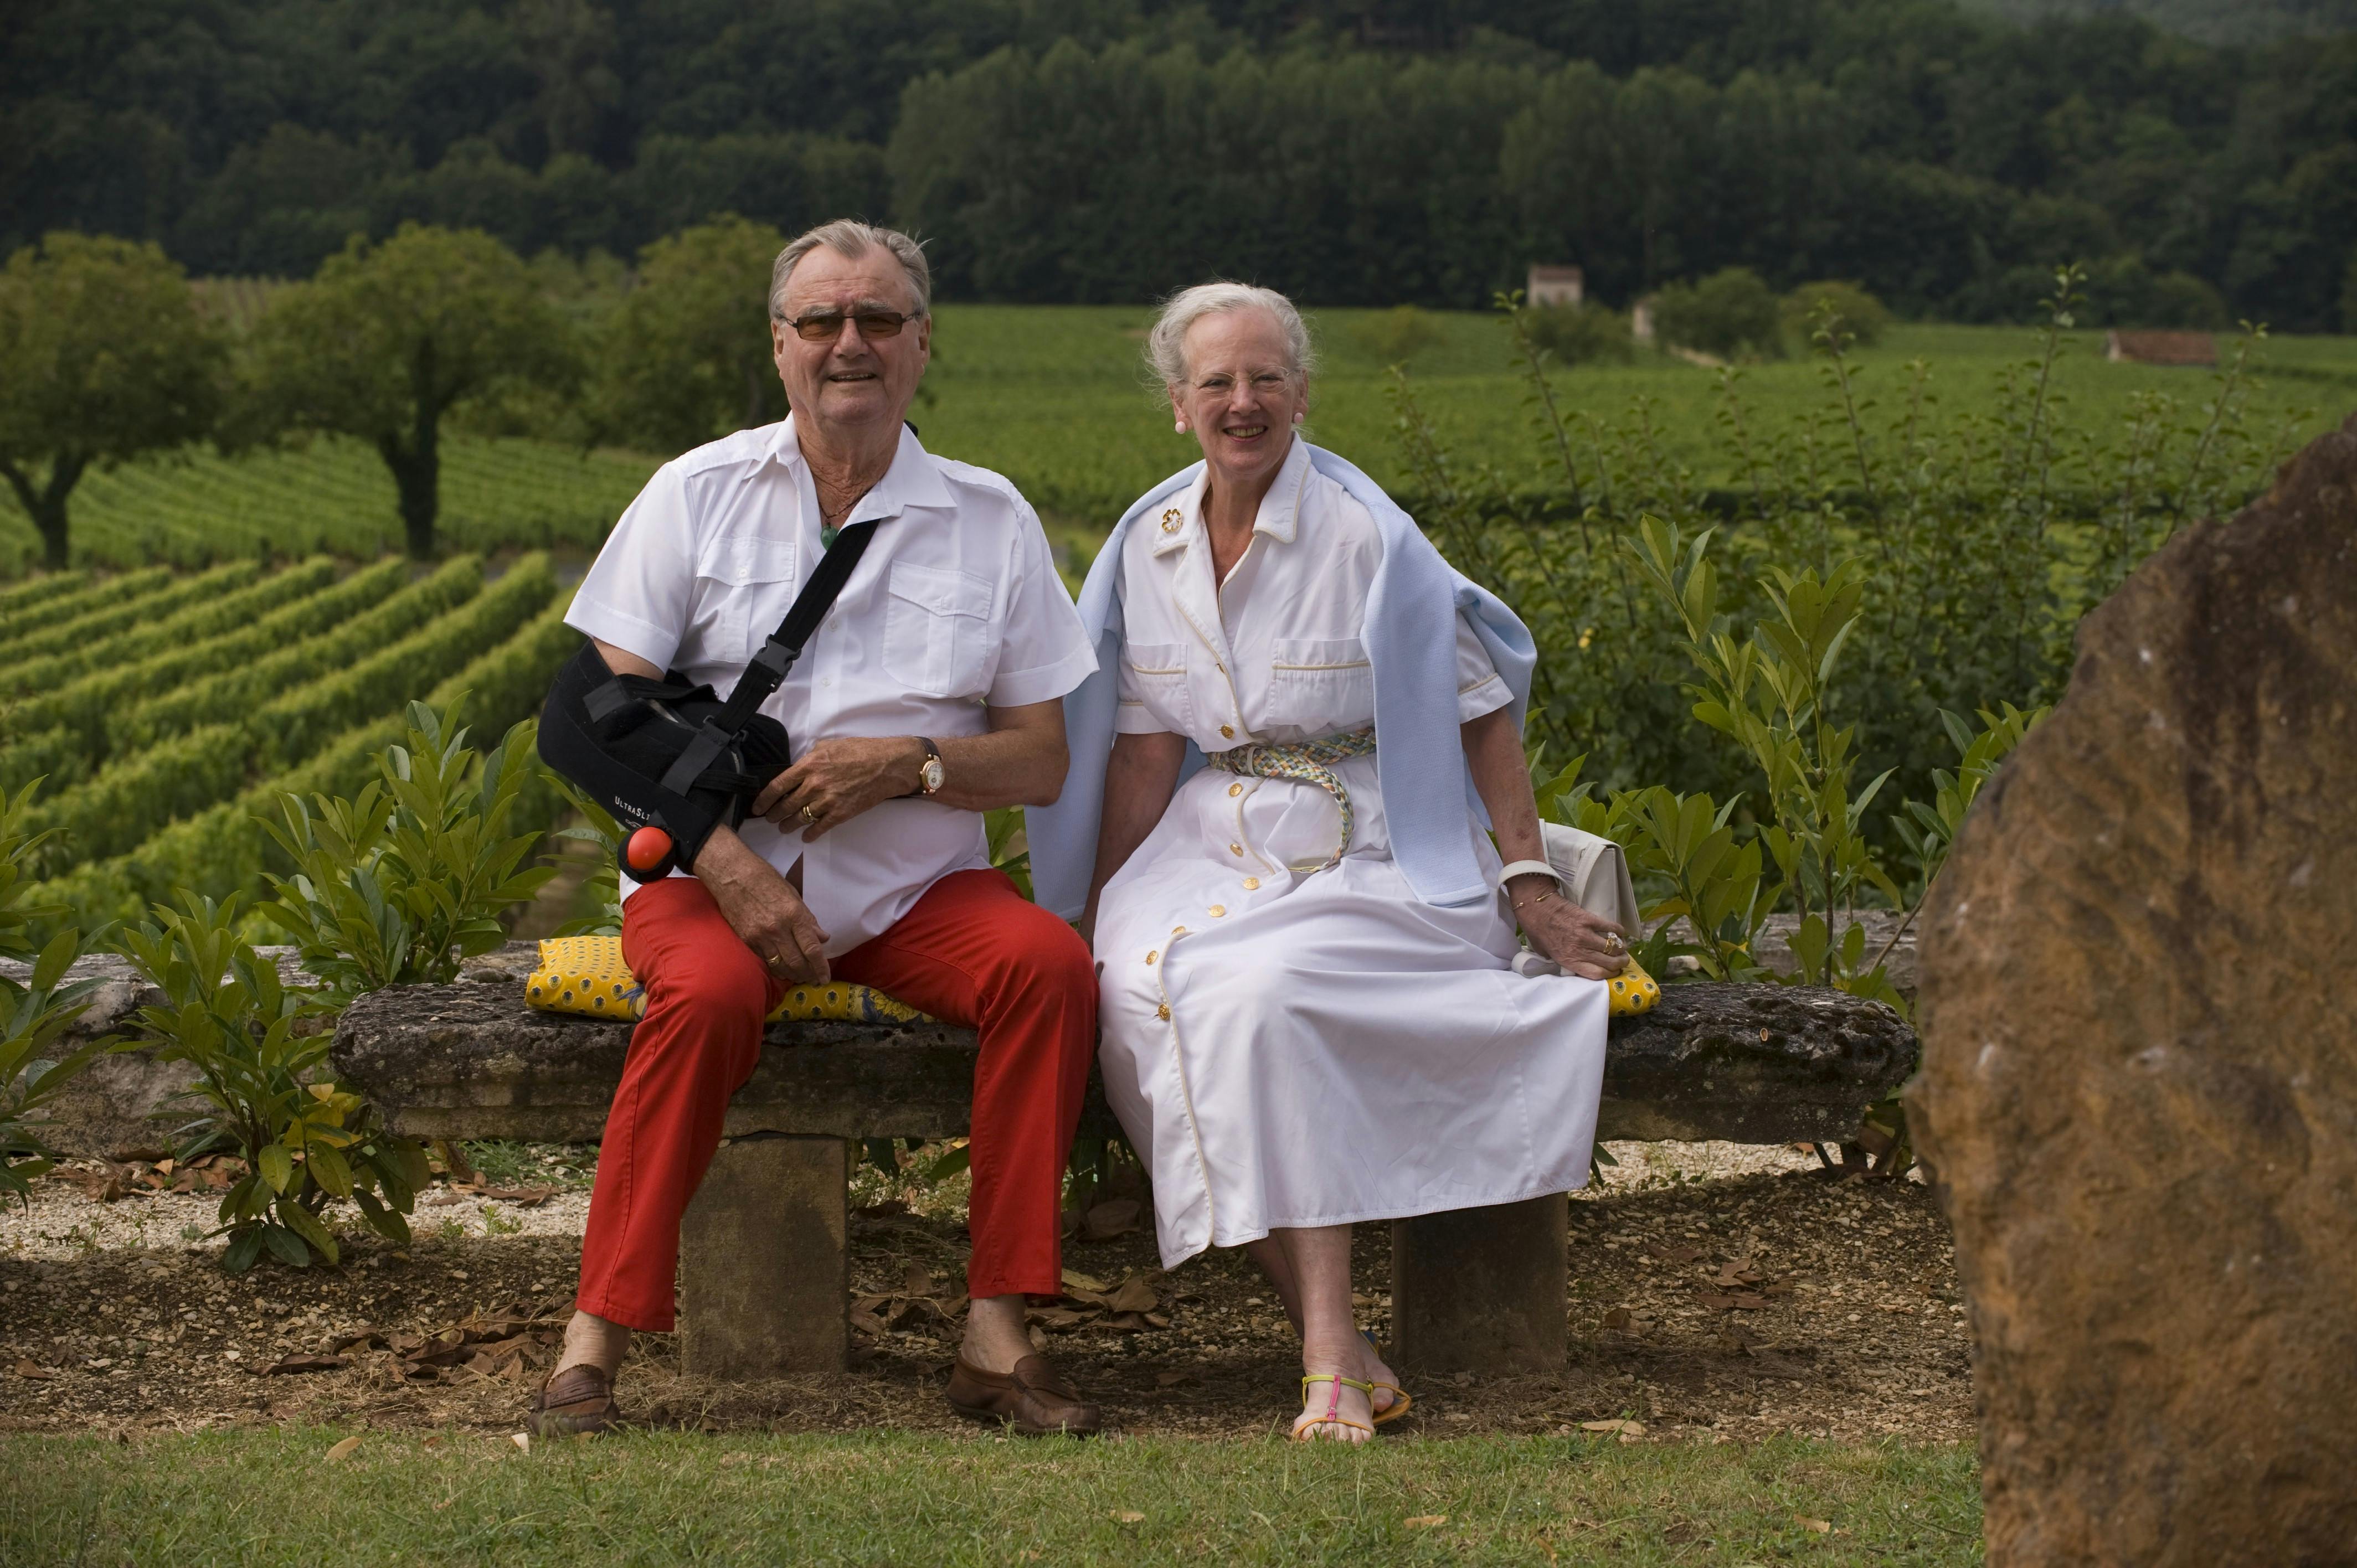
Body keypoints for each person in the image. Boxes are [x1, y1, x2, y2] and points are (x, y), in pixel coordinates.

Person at [530, 220, 1105, 1438]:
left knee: (1049, 970)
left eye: (880, 320)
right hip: (710, 877)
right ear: (780, 345)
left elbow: (1042, 758)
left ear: (921, 345)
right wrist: (729, 867)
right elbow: (590, 718)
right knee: (709, 999)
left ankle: (995, 1334)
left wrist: (913, 764)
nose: (852, 345)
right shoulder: (696, 492)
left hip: (913, 894)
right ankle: (596, 1340)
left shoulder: (991, 519)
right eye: (822, 323)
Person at [1028, 282, 1628, 1443]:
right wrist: (1086, 907)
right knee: (1125, 985)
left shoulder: (1368, 535)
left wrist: (1531, 889)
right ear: (1178, 404)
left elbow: (1479, 714)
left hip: (1375, 842)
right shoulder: (1151, 544)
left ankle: (1324, 1361)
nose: (1241, 403)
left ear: (1302, 395)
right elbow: (1147, 755)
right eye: (1217, 383)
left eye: (1265, 380)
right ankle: (1344, 1345)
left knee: (1258, 999)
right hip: (1212, 834)